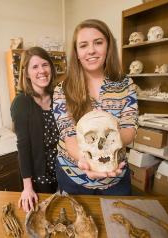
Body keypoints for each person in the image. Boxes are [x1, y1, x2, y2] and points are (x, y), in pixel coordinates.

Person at [53, 19, 138, 195]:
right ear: (76, 52)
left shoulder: (126, 84)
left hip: (116, 176)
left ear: (108, 46)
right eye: (83, 45)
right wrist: (87, 161)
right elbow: (69, 136)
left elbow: (130, 128)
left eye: (98, 43)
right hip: (73, 176)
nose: (91, 50)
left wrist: (109, 141)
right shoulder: (62, 90)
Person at [11, 47, 59, 212]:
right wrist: (27, 187)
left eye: (45, 65)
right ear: (26, 73)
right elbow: (23, 147)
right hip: (40, 177)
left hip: (63, 172)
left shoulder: (58, 97)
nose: (42, 71)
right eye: (35, 67)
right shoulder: (21, 103)